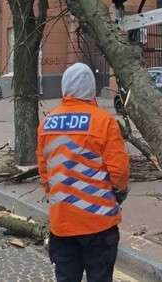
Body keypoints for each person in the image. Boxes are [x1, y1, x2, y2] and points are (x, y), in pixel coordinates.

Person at [36, 62, 130, 282]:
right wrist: (119, 192)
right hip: (99, 224)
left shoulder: (47, 123)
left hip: (62, 224)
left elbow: (44, 172)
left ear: (64, 87)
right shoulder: (103, 121)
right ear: (90, 88)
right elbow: (119, 170)